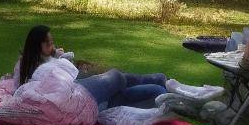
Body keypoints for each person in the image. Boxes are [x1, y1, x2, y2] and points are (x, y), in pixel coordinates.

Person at [15, 25, 168, 110]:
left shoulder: (48, 58)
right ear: (36, 45)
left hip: (93, 88)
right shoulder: (33, 68)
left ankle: (161, 82)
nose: (52, 46)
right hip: (85, 93)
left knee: (157, 90)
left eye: (52, 42)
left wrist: (57, 55)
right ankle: (158, 80)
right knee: (118, 77)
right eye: (48, 43)